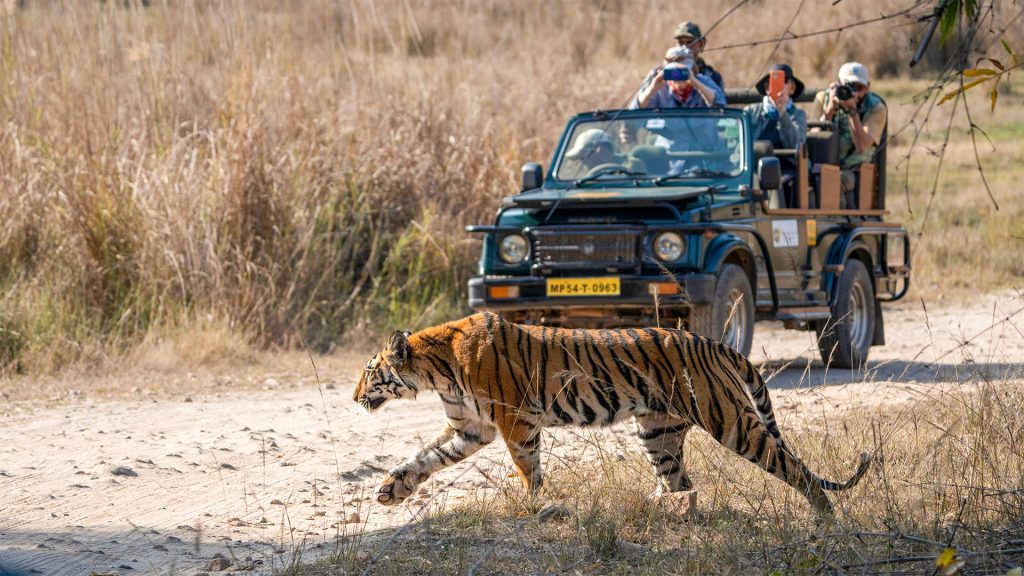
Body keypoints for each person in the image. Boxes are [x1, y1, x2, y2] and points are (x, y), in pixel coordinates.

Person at [812, 61, 887, 197]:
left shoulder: (876, 108)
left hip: (855, 171)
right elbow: (812, 140)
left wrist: (853, 112)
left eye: (859, 88)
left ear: (868, 87)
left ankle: (835, 218)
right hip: (823, 167)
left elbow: (862, 146)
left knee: (833, 183)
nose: (855, 93)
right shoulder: (823, 98)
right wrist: (829, 110)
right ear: (838, 84)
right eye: (849, 86)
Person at [630, 46, 725, 109]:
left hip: (703, 138)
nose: (678, 76)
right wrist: (652, 89)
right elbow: (635, 109)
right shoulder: (660, 87)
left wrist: (696, 83)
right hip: (669, 139)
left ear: (692, 69)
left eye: (683, 71)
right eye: (673, 72)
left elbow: (720, 103)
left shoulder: (702, 81)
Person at [745, 63, 807, 150]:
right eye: (774, 80)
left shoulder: (799, 114)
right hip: (755, 161)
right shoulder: (751, 112)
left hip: (787, 162)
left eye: (785, 81)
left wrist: (782, 112)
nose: (780, 85)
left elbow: (796, 146)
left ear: (792, 89)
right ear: (767, 88)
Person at [557, 128, 646, 179]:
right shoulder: (583, 172)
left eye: (583, 157)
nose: (582, 162)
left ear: (599, 149)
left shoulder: (631, 166)